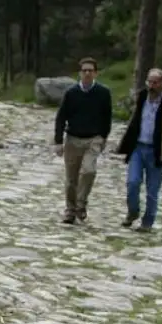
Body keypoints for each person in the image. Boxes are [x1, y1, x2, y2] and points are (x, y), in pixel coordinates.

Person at [115, 68, 162, 232]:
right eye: (149, 82)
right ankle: (132, 212)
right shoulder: (141, 97)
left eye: (155, 82)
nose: (151, 85)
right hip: (138, 147)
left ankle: (147, 223)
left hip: (156, 151)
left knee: (152, 191)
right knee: (132, 182)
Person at [53, 57, 114, 224]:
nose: (87, 73)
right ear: (79, 73)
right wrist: (58, 141)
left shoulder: (103, 93)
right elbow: (61, 117)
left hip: (93, 138)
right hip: (73, 138)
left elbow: (107, 117)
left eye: (90, 70)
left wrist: (103, 137)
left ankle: (81, 204)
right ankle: (70, 210)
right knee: (71, 179)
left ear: (95, 73)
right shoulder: (71, 93)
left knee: (89, 171)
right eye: (84, 70)